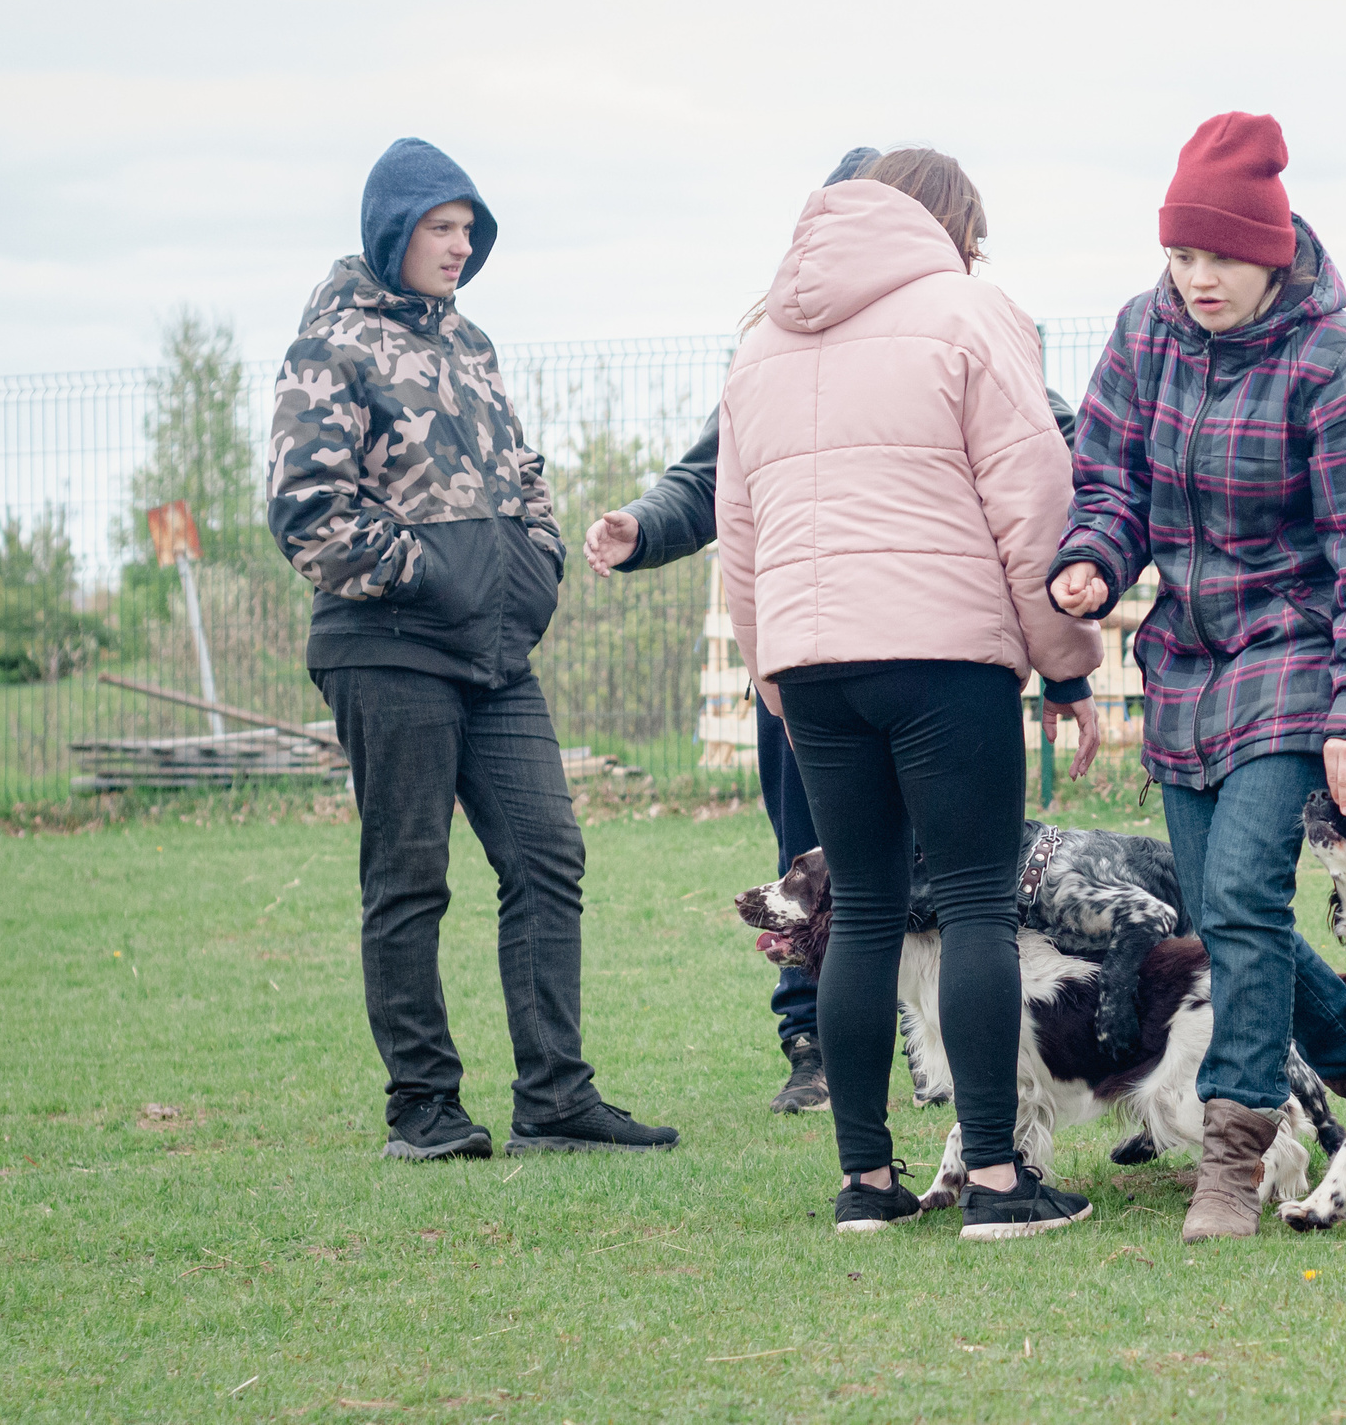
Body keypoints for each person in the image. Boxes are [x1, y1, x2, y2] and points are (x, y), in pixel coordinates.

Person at [1049, 112, 1346, 1242]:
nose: (1199, 278)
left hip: (1298, 664)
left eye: (1221, 256)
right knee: (1224, 921)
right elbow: (1107, 479)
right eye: (1181, 255)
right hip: (1186, 663)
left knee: (1241, 902)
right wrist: (1092, 561)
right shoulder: (1142, 336)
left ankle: (1232, 1155)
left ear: (1272, 251)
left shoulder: (1340, 361)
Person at [715, 147, 1105, 1238]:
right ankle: (994, 1180)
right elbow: (1030, 502)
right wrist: (1068, 662)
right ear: (952, 228)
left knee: (868, 912)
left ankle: (865, 1185)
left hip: (810, 666)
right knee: (977, 901)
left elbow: (738, 540)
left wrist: (774, 676)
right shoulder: (974, 313)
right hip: (941, 654)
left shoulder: (759, 346)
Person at [270, 137, 676, 1160]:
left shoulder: (474, 347)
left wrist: (533, 561)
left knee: (548, 855)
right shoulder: (332, 349)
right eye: (440, 229)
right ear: (392, 232)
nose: (458, 248)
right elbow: (306, 511)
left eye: (468, 231)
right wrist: (429, 574)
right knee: (409, 879)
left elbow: (521, 476)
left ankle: (556, 1096)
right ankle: (425, 1108)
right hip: (387, 647)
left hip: (496, 656)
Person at [583, 147, 878, 1118]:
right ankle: (812, 1042)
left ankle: (933, 1043)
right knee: (807, 852)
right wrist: (645, 525)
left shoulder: (960, 329)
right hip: (799, 650)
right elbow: (711, 477)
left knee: (937, 858)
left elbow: (1040, 440)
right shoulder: (773, 350)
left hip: (923, 644)